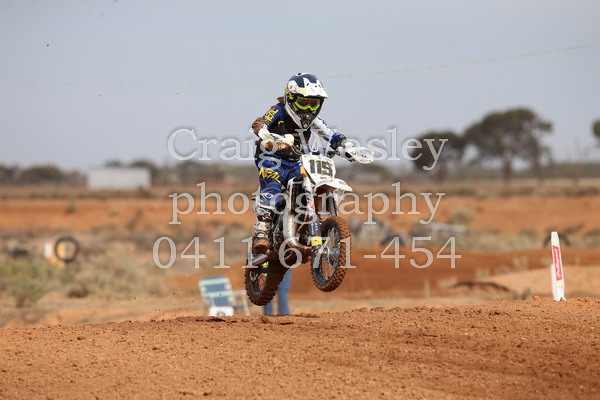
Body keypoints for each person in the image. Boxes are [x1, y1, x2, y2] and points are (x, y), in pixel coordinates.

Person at [250, 73, 354, 254]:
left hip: (296, 160)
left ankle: (308, 224)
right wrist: (265, 133)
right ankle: (262, 230)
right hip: (272, 158)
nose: (308, 108)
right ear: (291, 98)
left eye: (313, 104)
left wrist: (346, 145)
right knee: (272, 185)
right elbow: (261, 122)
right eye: (303, 102)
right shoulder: (279, 110)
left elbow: (330, 134)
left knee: (313, 183)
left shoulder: (313, 120)